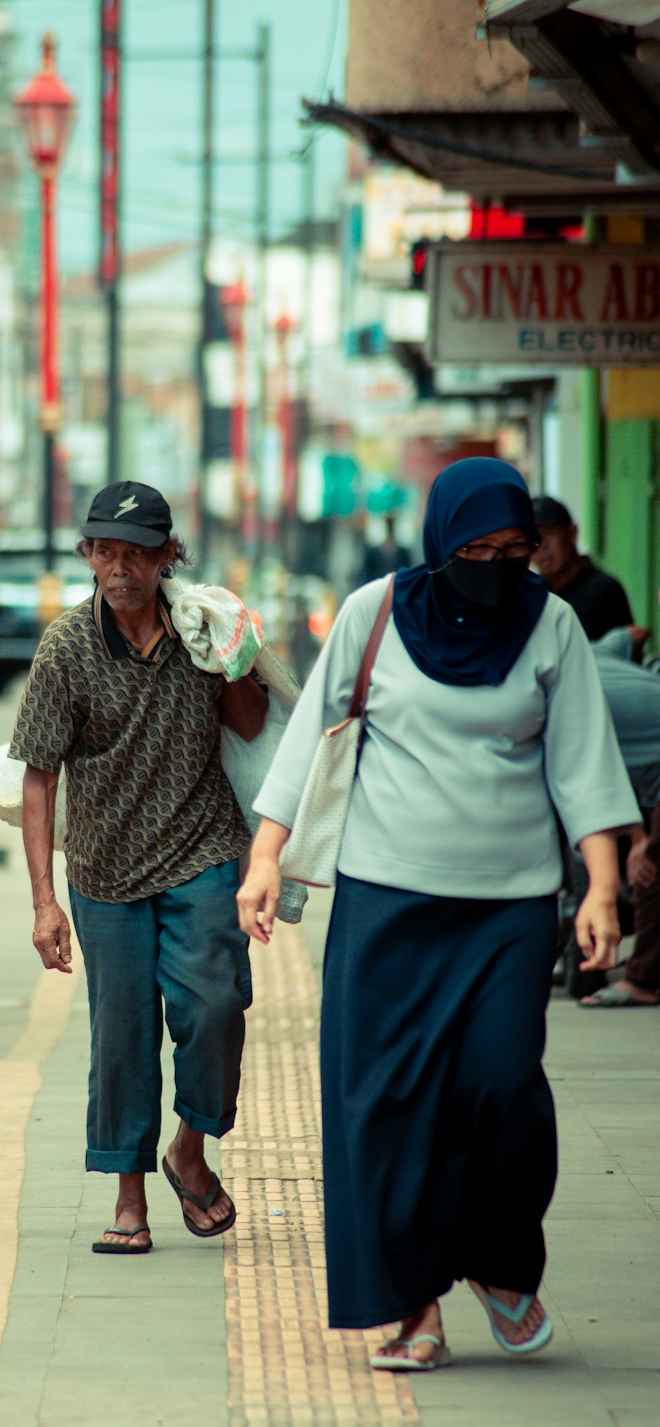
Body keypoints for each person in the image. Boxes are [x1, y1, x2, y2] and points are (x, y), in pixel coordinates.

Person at [237, 457, 640, 1370]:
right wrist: (265, 861)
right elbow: (306, 747)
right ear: (438, 543)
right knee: (387, 1108)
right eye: (475, 550)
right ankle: (413, 1309)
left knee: (501, 1088)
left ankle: (499, 1265)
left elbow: (583, 766)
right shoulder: (373, 614)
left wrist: (603, 888)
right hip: (388, 906)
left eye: (513, 552)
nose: (494, 568)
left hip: (509, 911)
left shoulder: (554, 627)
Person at [10, 479, 268, 1255]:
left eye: (135, 553)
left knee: (217, 1006)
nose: (118, 567)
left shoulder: (198, 630)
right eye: (104, 551)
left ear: (166, 558)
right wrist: (43, 904)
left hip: (204, 849)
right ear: (88, 556)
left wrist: (238, 658)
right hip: (105, 869)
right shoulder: (66, 648)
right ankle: (130, 1197)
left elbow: (252, 725)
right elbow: (39, 773)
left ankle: (189, 1150)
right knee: (121, 1033)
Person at [580, 627, 660, 1008]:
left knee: (651, 872)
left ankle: (641, 980)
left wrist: (640, 841)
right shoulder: (588, 647)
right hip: (652, 773)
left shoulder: (566, 695)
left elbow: (592, 781)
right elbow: (633, 634)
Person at [531, 494, 633, 640]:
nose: (542, 547)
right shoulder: (532, 593)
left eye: (549, 534)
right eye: (534, 539)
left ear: (572, 533)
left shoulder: (603, 590)